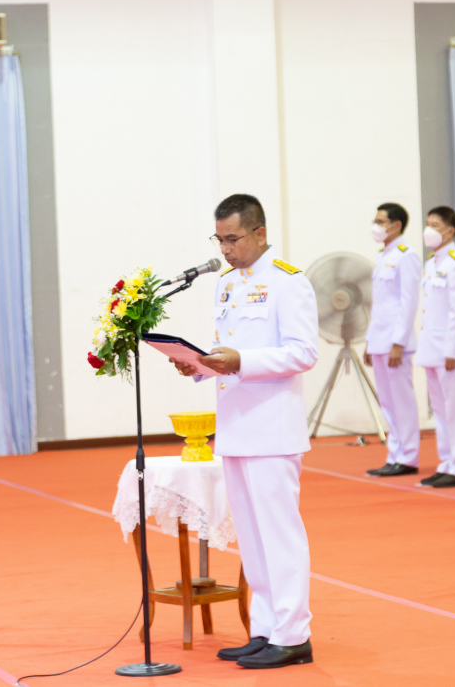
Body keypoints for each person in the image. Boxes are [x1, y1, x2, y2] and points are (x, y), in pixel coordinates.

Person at [170, 194, 317, 667]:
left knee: (279, 535)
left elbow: (303, 352)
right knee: (252, 539)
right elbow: (225, 351)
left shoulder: (288, 282)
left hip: (273, 429)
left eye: (232, 238)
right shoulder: (227, 284)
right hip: (235, 427)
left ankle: (293, 635)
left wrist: (241, 361)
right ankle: (265, 629)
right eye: (219, 239)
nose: (225, 249)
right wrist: (198, 365)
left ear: (259, 233)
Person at [415, 206, 455, 488]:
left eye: (435, 225)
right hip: (431, 345)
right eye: (428, 224)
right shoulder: (432, 262)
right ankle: (446, 461)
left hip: (449, 349)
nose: (429, 229)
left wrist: (453, 349)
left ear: (450, 231)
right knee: (439, 409)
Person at [364, 203, 423, 477]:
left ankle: (408, 456)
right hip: (380, 339)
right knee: (387, 402)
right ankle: (395, 454)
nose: (375, 226)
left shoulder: (406, 256)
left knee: (402, 401)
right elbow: (379, 304)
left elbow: (409, 302)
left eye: (380, 221)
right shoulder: (383, 255)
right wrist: (370, 340)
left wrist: (398, 342)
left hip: (396, 342)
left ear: (396, 225)